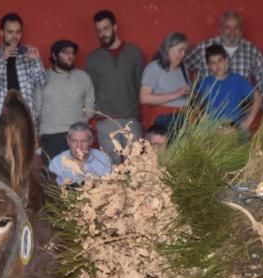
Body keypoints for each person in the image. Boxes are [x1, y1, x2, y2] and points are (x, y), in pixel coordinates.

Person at [85, 10, 144, 164]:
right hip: (106, 121)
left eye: (105, 28)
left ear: (115, 27)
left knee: (136, 166)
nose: (102, 33)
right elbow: (92, 91)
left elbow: (140, 86)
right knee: (111, 168)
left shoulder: (135, 53)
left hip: (131, 119)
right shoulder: (92, 59)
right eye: (98, 30)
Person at [184, 11, 263, 105]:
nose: (232, 32)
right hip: (207, 113)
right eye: (227, 27)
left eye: (236, 28)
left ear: (241, 29)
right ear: (220, 29)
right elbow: (181, 66)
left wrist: (255, 105)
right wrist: (192, 100)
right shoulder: (203, 48)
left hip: (240, 113)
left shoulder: (251, 50)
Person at [0, 13, 46, 132]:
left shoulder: (29, 53)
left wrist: (37, 60)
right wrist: (3, 59)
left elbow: (41, 83)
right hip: (2, 114)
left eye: (18, 32)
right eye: (10, 32)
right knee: (2, 150)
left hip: (26, 114)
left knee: (27, 150)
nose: (14, 36)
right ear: (2, 33)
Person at [38, 39, 95, 161]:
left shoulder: (83, 77)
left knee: (81, 176)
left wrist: (80, 123)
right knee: (53, 177)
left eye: (72, 53)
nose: (70, 56)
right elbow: (35, 109)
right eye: (65, 52)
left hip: (78, 136)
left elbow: (90, 108)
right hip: (50, 136)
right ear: (54, 55)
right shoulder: (42, 78)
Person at [194, 45, 262, 132]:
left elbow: (258, 97)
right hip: (212, 129)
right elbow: (194, 103)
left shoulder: (238, 80)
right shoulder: (204, 83)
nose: (217, 65)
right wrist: (203, 120)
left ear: (226, 61)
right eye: (213, 62)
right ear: (208, 65)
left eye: (220, 60)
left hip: (235, 127)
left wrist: (248, 121)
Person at [141, 33, 190, 134]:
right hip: (165, 121)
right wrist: (175, 94)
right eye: (180, 50)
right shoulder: (154, 68)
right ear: (168, 48)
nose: (183, 54)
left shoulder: (183, 68)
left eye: (184, 51)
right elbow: (144, 98)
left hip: (184, 119)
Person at [48, 122, 113, 185]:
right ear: (68, 141)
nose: (79, 146)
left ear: (91, 141)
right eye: (74, 141)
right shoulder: (56, 163)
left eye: (84, 141)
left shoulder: (104, 160)